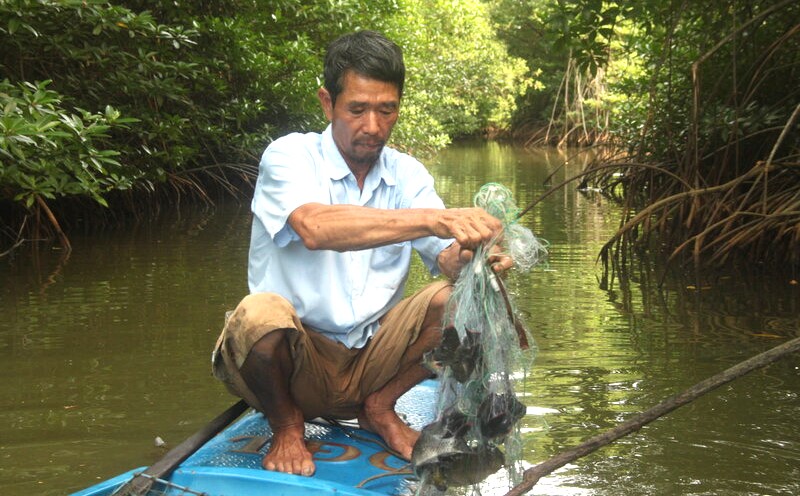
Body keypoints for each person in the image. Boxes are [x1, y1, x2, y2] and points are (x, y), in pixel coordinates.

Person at [212, 30, 510, 478]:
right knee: (257, 314)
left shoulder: (408, 174)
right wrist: (433, 218)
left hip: (374, 362)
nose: (372, 126)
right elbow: (315, 227)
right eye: (357, 109)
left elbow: (445, 258)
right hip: (298, 365)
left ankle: (380, 407)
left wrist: (474, 256)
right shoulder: (289, 156)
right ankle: (288, 426)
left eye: (386, 110)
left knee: (458, 298)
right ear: (327, 103)